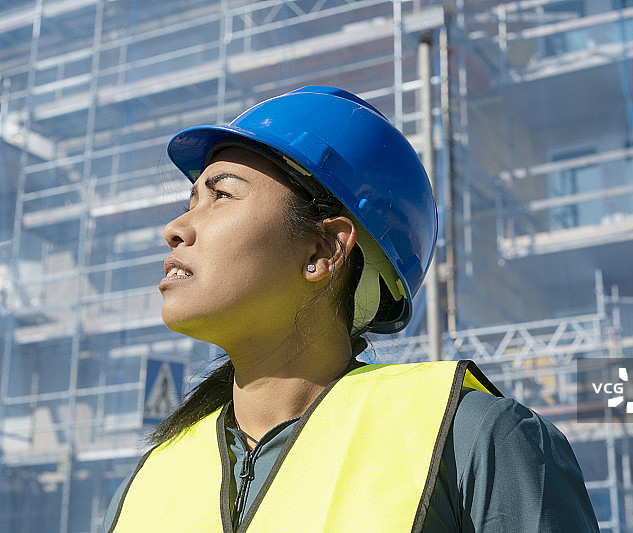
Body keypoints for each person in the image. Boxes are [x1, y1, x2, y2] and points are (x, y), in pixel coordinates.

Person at [102, 86, 599, 532]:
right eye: (191, 199)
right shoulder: (148, 483)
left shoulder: (470, 439)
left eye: (222, 195)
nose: (175, 227)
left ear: (324, 250)